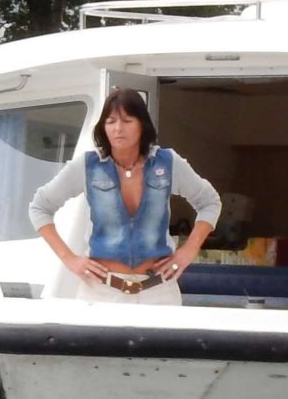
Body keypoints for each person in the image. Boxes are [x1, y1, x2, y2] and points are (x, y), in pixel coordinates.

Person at [29, 88, 222, 305]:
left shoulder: (167, 162)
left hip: (159, 291)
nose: (118, 129)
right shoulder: (88, 166)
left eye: (127, 120)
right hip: (101, 291)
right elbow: (39, 207)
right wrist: (70, 259)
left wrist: (189, 250)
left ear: (142, 125)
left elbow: (210, 202)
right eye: (110, 121)